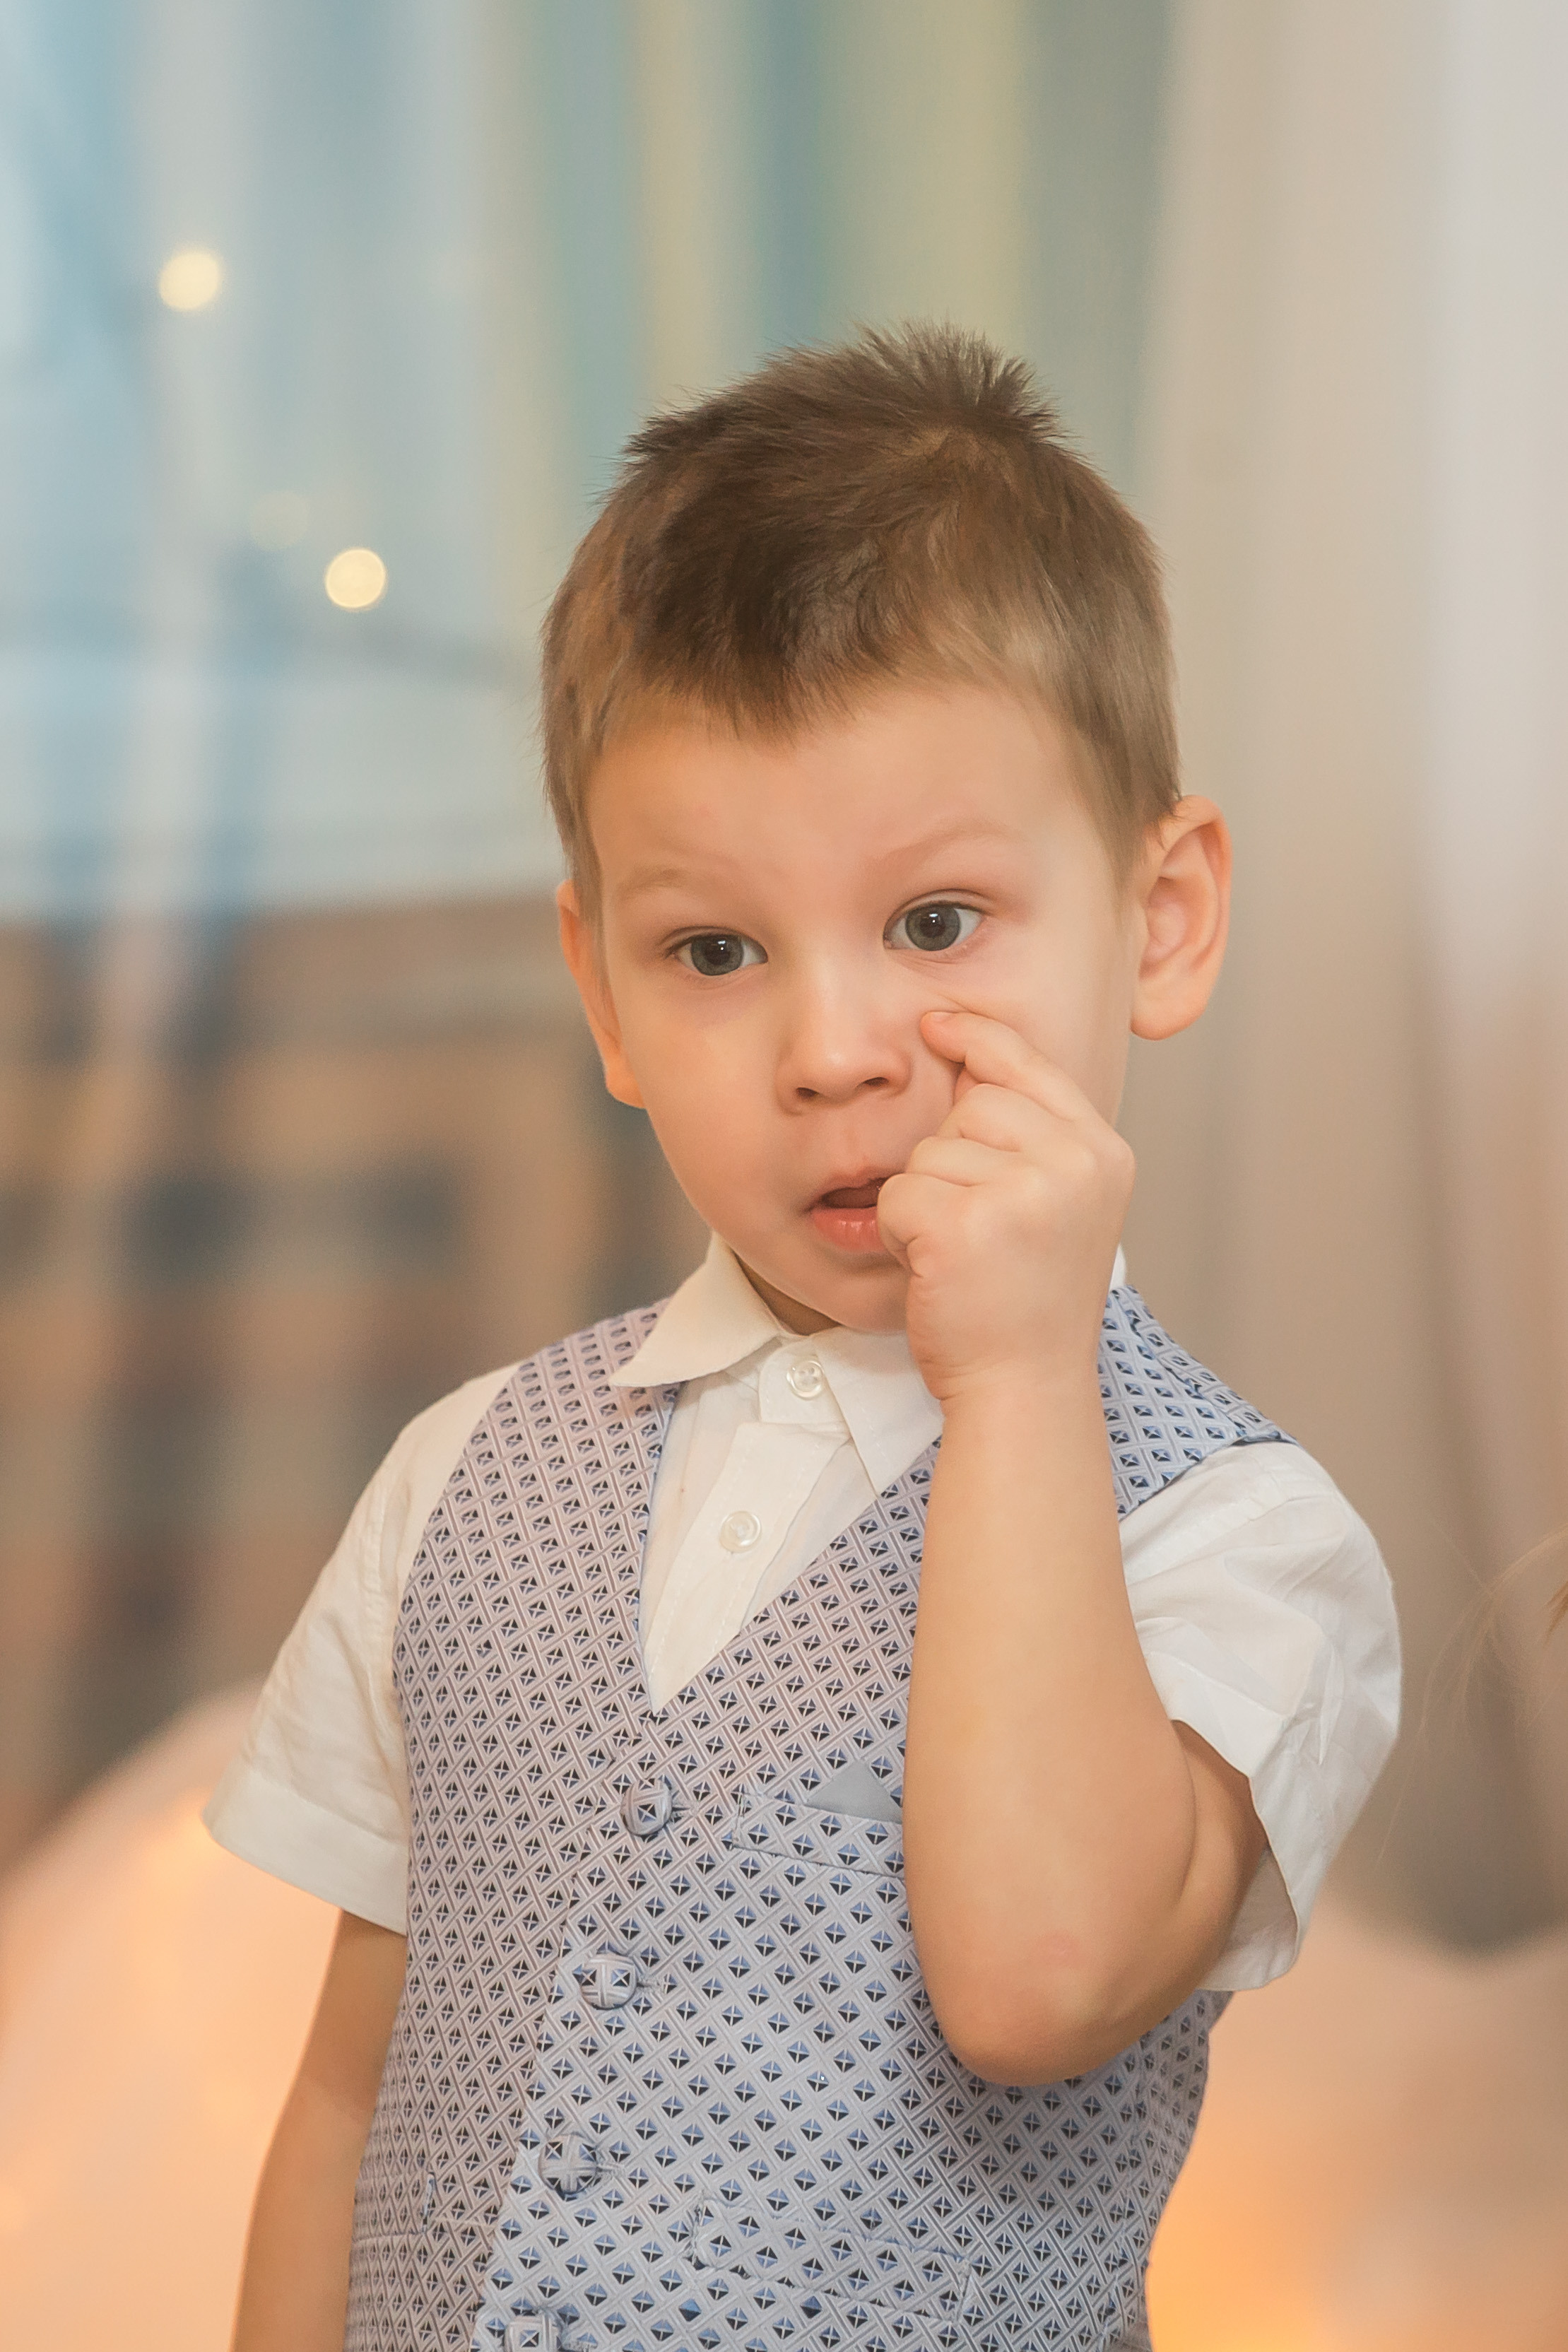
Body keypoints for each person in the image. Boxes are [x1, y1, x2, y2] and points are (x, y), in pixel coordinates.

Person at [207, 327, 1400, 2352]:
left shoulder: (1235, 1536)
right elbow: (349, 2097)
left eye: (935, 924)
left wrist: (1015, 1377)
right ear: (599, 989)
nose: (832, 1053)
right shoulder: (465, 1473)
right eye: (713, 951)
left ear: (1162, 916)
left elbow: (1039, 1978)